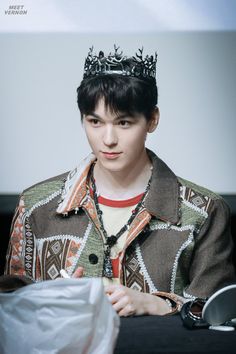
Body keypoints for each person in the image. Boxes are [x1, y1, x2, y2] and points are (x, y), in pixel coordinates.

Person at [4, 45, 236, 317]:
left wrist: (158, 304)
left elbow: (219, 316)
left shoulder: (202, 211)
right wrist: (48, 297)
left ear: (152, 120)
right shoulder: (36, 206)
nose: (108, 139)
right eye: (95, 122)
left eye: (124, 123)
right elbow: (8, 306)